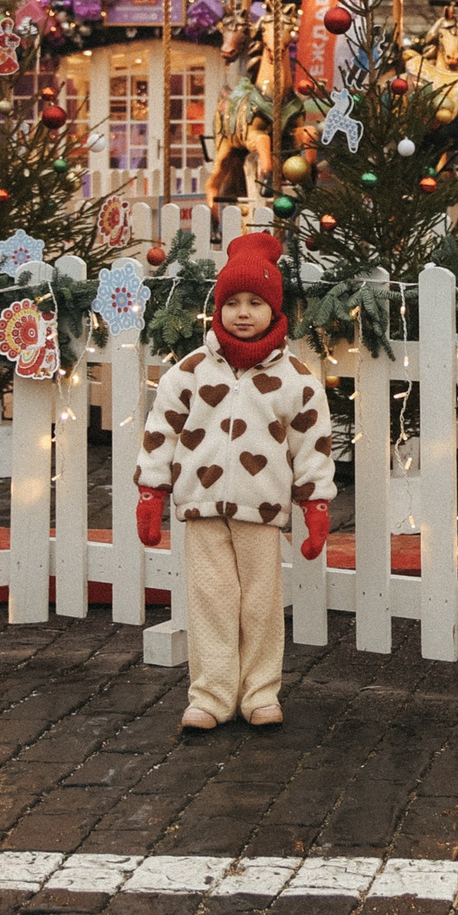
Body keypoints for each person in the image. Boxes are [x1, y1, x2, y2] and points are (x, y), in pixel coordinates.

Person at [133, 232, 334, 734]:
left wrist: (315, 505)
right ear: (218, 307)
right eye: (233, 302)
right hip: (200, 506)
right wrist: (151, 491)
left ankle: (260, 693)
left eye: (255, 303)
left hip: (261, 510)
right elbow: (161, 430)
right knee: (210, 600)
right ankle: (211, 696)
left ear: (275, 309)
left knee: (261, 603)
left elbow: (313, 444)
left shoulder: (297, 380)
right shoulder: (189, 372)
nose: (243, 313)